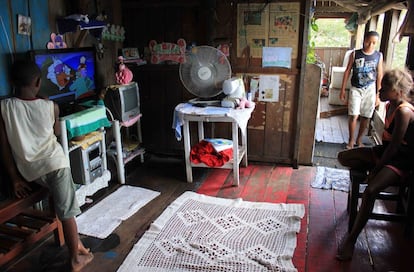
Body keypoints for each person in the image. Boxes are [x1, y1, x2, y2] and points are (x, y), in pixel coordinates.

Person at [0, 60, 93, 271]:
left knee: (63, 206)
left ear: (13, 82)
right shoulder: (51, 106)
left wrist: (14, 178)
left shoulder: (4, 108)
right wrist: (47, 102)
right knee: (67, 211)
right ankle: (75, 259)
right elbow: (58, 133)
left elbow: (4, 147)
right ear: (39, 82)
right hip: (55, 165)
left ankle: (76, 243)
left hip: (29, 172)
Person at [336, 68, 414, 261]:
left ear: (398, 91)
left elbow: (395, 148)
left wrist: (377, 170)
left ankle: (351, 240)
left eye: (384, 89)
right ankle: (374, 171)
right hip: (385, 153)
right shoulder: (389, 106)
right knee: (343, 157)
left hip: (401, 160)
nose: (380, 92)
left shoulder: (404, 112)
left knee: (371, 191)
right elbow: (386, 145)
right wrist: (375, 162)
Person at [340, 31, 384, 149]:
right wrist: (343, 89)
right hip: (356, 88)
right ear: (364, 40)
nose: (370, 45)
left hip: (370, 88)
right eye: (368, 42)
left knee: (366, 116)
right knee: (353, 114)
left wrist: (378, 95)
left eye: (374, 43)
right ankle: (351, 140)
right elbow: (348, 71)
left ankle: (359, 140)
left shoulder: (378, 56)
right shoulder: (355, 54)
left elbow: (380, 75)